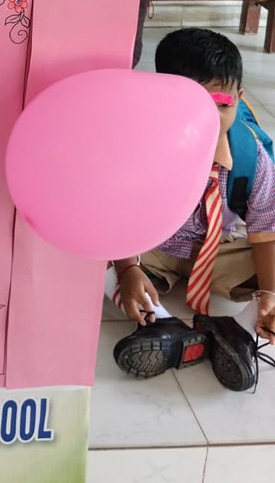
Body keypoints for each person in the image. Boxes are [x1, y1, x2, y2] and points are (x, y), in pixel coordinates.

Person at [109, 28, 275, 392]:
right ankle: (164, 325)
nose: (210, 117)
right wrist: (127, 268)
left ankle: (239, 330)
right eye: (193, 104)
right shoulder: (141, 150)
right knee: (94, 261)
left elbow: (265, 232)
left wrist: (270, 294)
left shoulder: (251, 157)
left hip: (219, 252)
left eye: (221, 103)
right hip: (156, 248)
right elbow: (118, 215)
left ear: (239, 98)